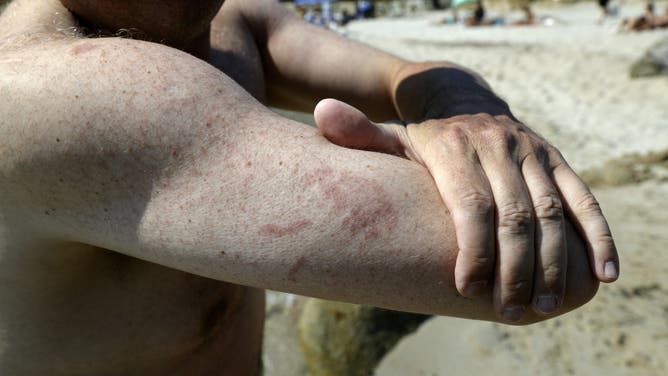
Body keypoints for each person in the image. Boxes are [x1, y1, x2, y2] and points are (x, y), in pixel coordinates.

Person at [0, 0, 618, 374]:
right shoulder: (58, 91)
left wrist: (466, 120)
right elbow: (558, 266)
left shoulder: (228, 21)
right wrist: (423, 140)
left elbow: (413, 75)